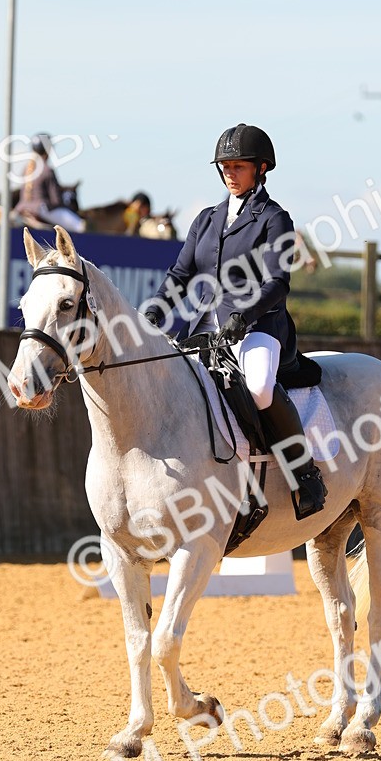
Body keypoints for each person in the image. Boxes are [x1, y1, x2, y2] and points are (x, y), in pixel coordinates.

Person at [143, 124, 327, 520]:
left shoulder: (274, 219)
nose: (230, 173)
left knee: (259, 386)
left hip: (259, 326)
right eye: (224, 166)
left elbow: (278, 282)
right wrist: (157, 308)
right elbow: (181, 274)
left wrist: (246, 316)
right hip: (203, 328)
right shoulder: (207, 220)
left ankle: (304, 474)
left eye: (238, 166)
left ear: (261, 169)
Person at [13, 134, 85, 233]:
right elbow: (56, 200)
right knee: (80, 226)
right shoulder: (47, 170)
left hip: (20, 208)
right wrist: (67, 206)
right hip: (41, 209)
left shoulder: (26, 169)